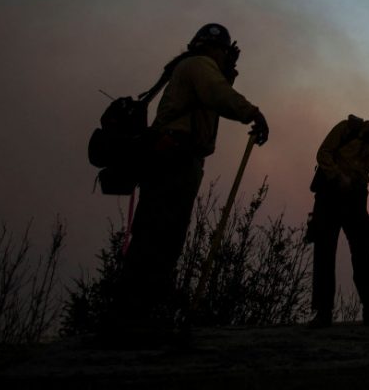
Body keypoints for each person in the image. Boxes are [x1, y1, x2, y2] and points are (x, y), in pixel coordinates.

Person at [113, 23, 269, 336]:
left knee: (160, 235)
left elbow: (211, 92)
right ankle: (132, 318)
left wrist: (228, 69)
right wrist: (253, 112)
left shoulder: (193, 66)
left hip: (174, 158)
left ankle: (137, 315)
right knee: (160, 236)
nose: (225, 57)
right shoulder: (199, 66)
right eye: (224, 52)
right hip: (174, 158)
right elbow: (216, 93)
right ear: (214, 49)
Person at [307, 106, 369, 329]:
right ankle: (323, 312)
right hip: (328, 195)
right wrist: (337, 175)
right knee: (324, 250)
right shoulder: (347, 128)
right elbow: (323, 153)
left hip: (355, 199)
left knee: (363, 252)